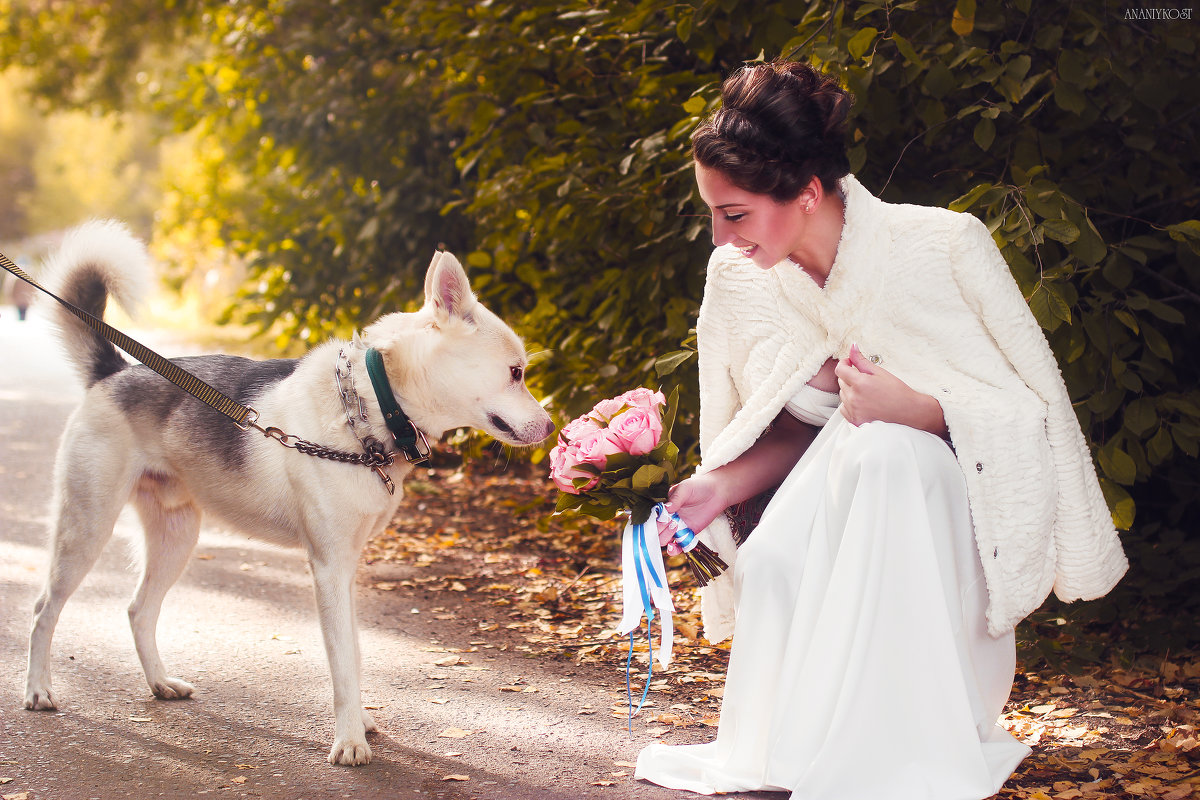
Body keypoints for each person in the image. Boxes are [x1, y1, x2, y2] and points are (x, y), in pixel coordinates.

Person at [634, 60, 1128, 799]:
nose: (719, 236)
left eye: (734, 214)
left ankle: (903, 750)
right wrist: (717, 485)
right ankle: (807, 746)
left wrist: (923, 410)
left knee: (888, 455)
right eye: (711, 212)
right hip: (832, 495)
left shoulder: (943, 247)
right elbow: (797, 428)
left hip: (932, 511)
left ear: (806, 193)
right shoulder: (738, 281)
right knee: (772, 557)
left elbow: (1031, 411)